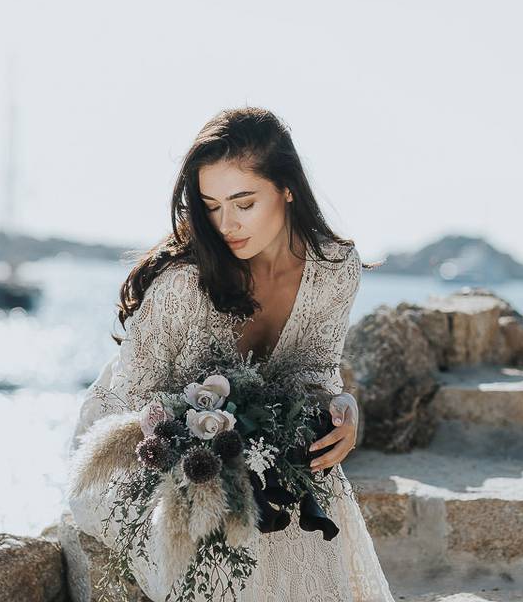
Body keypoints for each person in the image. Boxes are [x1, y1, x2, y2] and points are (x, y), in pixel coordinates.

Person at [67, 107, 396, 601]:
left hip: (249, 446)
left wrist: (342, 408)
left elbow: (315, 371)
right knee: (229, 527)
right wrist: (202, 456)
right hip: (142, 450)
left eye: (244, 202)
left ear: (287, 189)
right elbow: (136, 408)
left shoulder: (334, 267)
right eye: (212, 205)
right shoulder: (183, 285)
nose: (226, 224)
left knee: (317, 497)